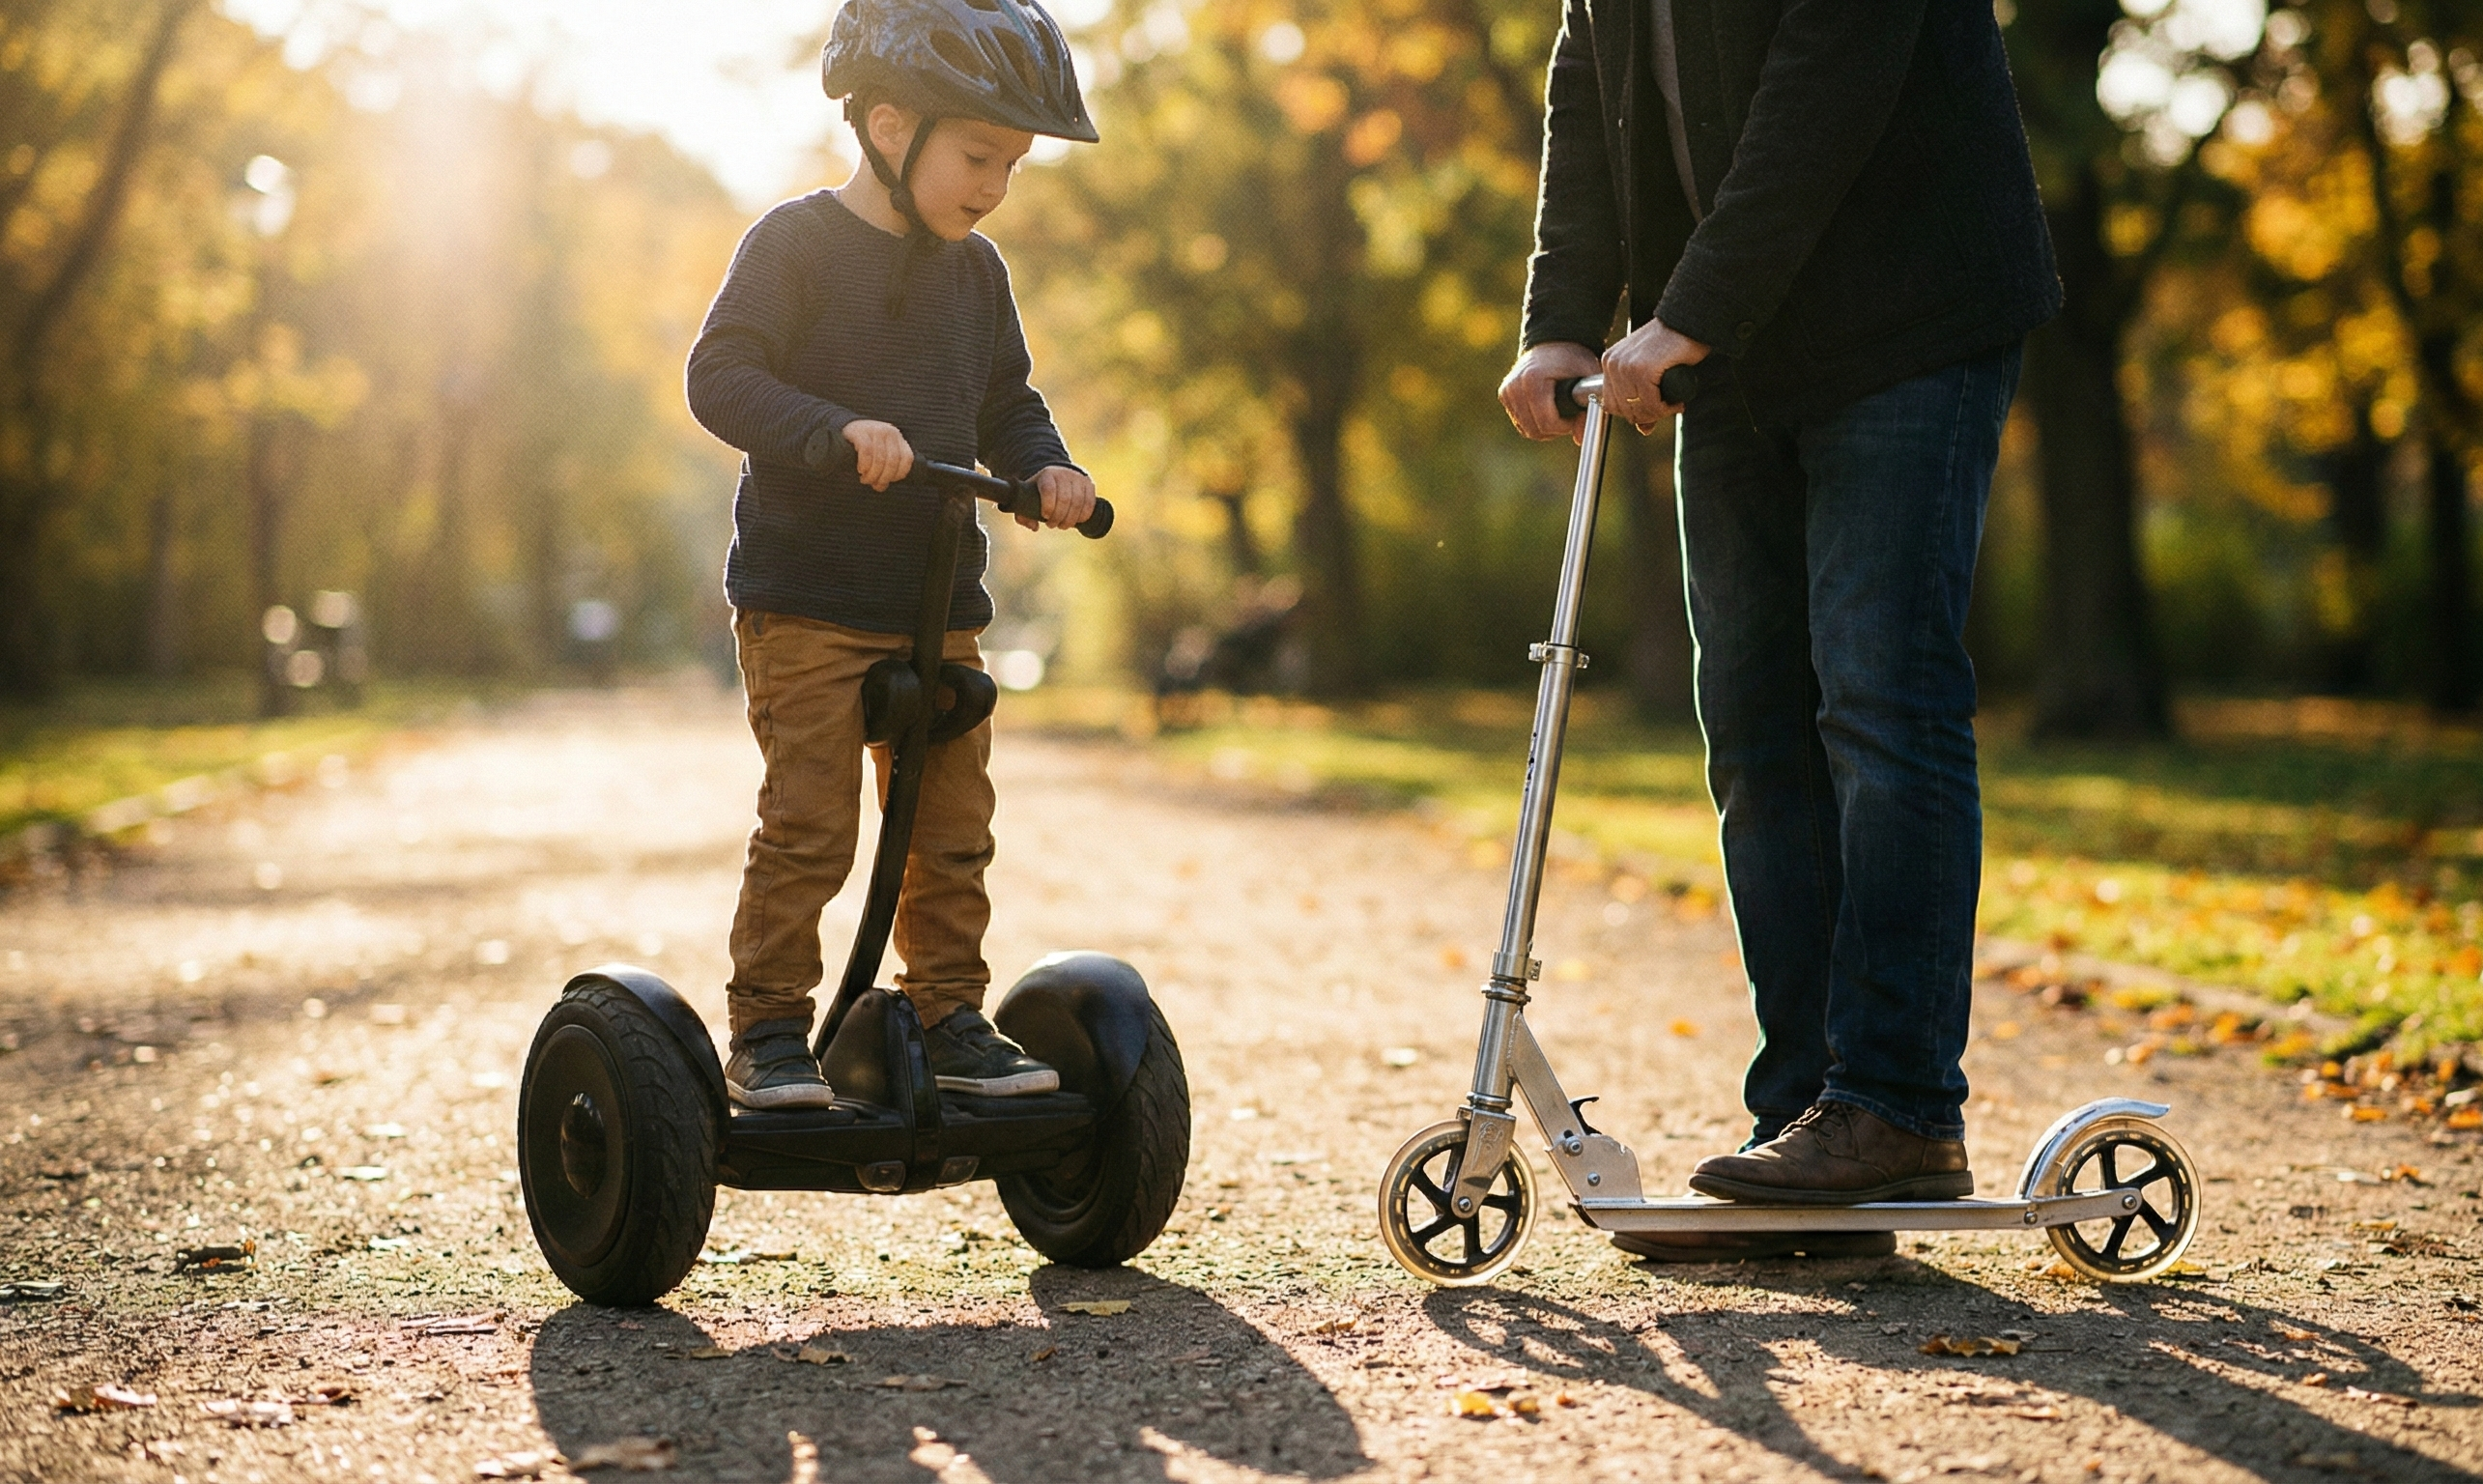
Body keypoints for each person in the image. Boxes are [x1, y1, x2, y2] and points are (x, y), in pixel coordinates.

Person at [1498, 0, 2061, 1261]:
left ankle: (1897, 1109)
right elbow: (1593, 81)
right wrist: (1562, 315)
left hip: (1901, 314)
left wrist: (1688, 308)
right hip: (1734, 347)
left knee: (1877, 694)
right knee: (1752, 725)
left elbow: (1830, 82)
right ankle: (1802, 1126)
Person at [685, 0, 1099, 1110]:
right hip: (807, 599)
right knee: (811, 824)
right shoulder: (794, 244)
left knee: (949, 829)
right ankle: (769, 1032)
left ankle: (947, 1014)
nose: (993, 186)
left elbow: (1009, 403)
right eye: (977, 156)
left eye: (1010, 164)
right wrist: (833, 430)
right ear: (885, 124)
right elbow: (719, 376)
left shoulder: (978, 276)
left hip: (935, 603)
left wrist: (1048, 468)